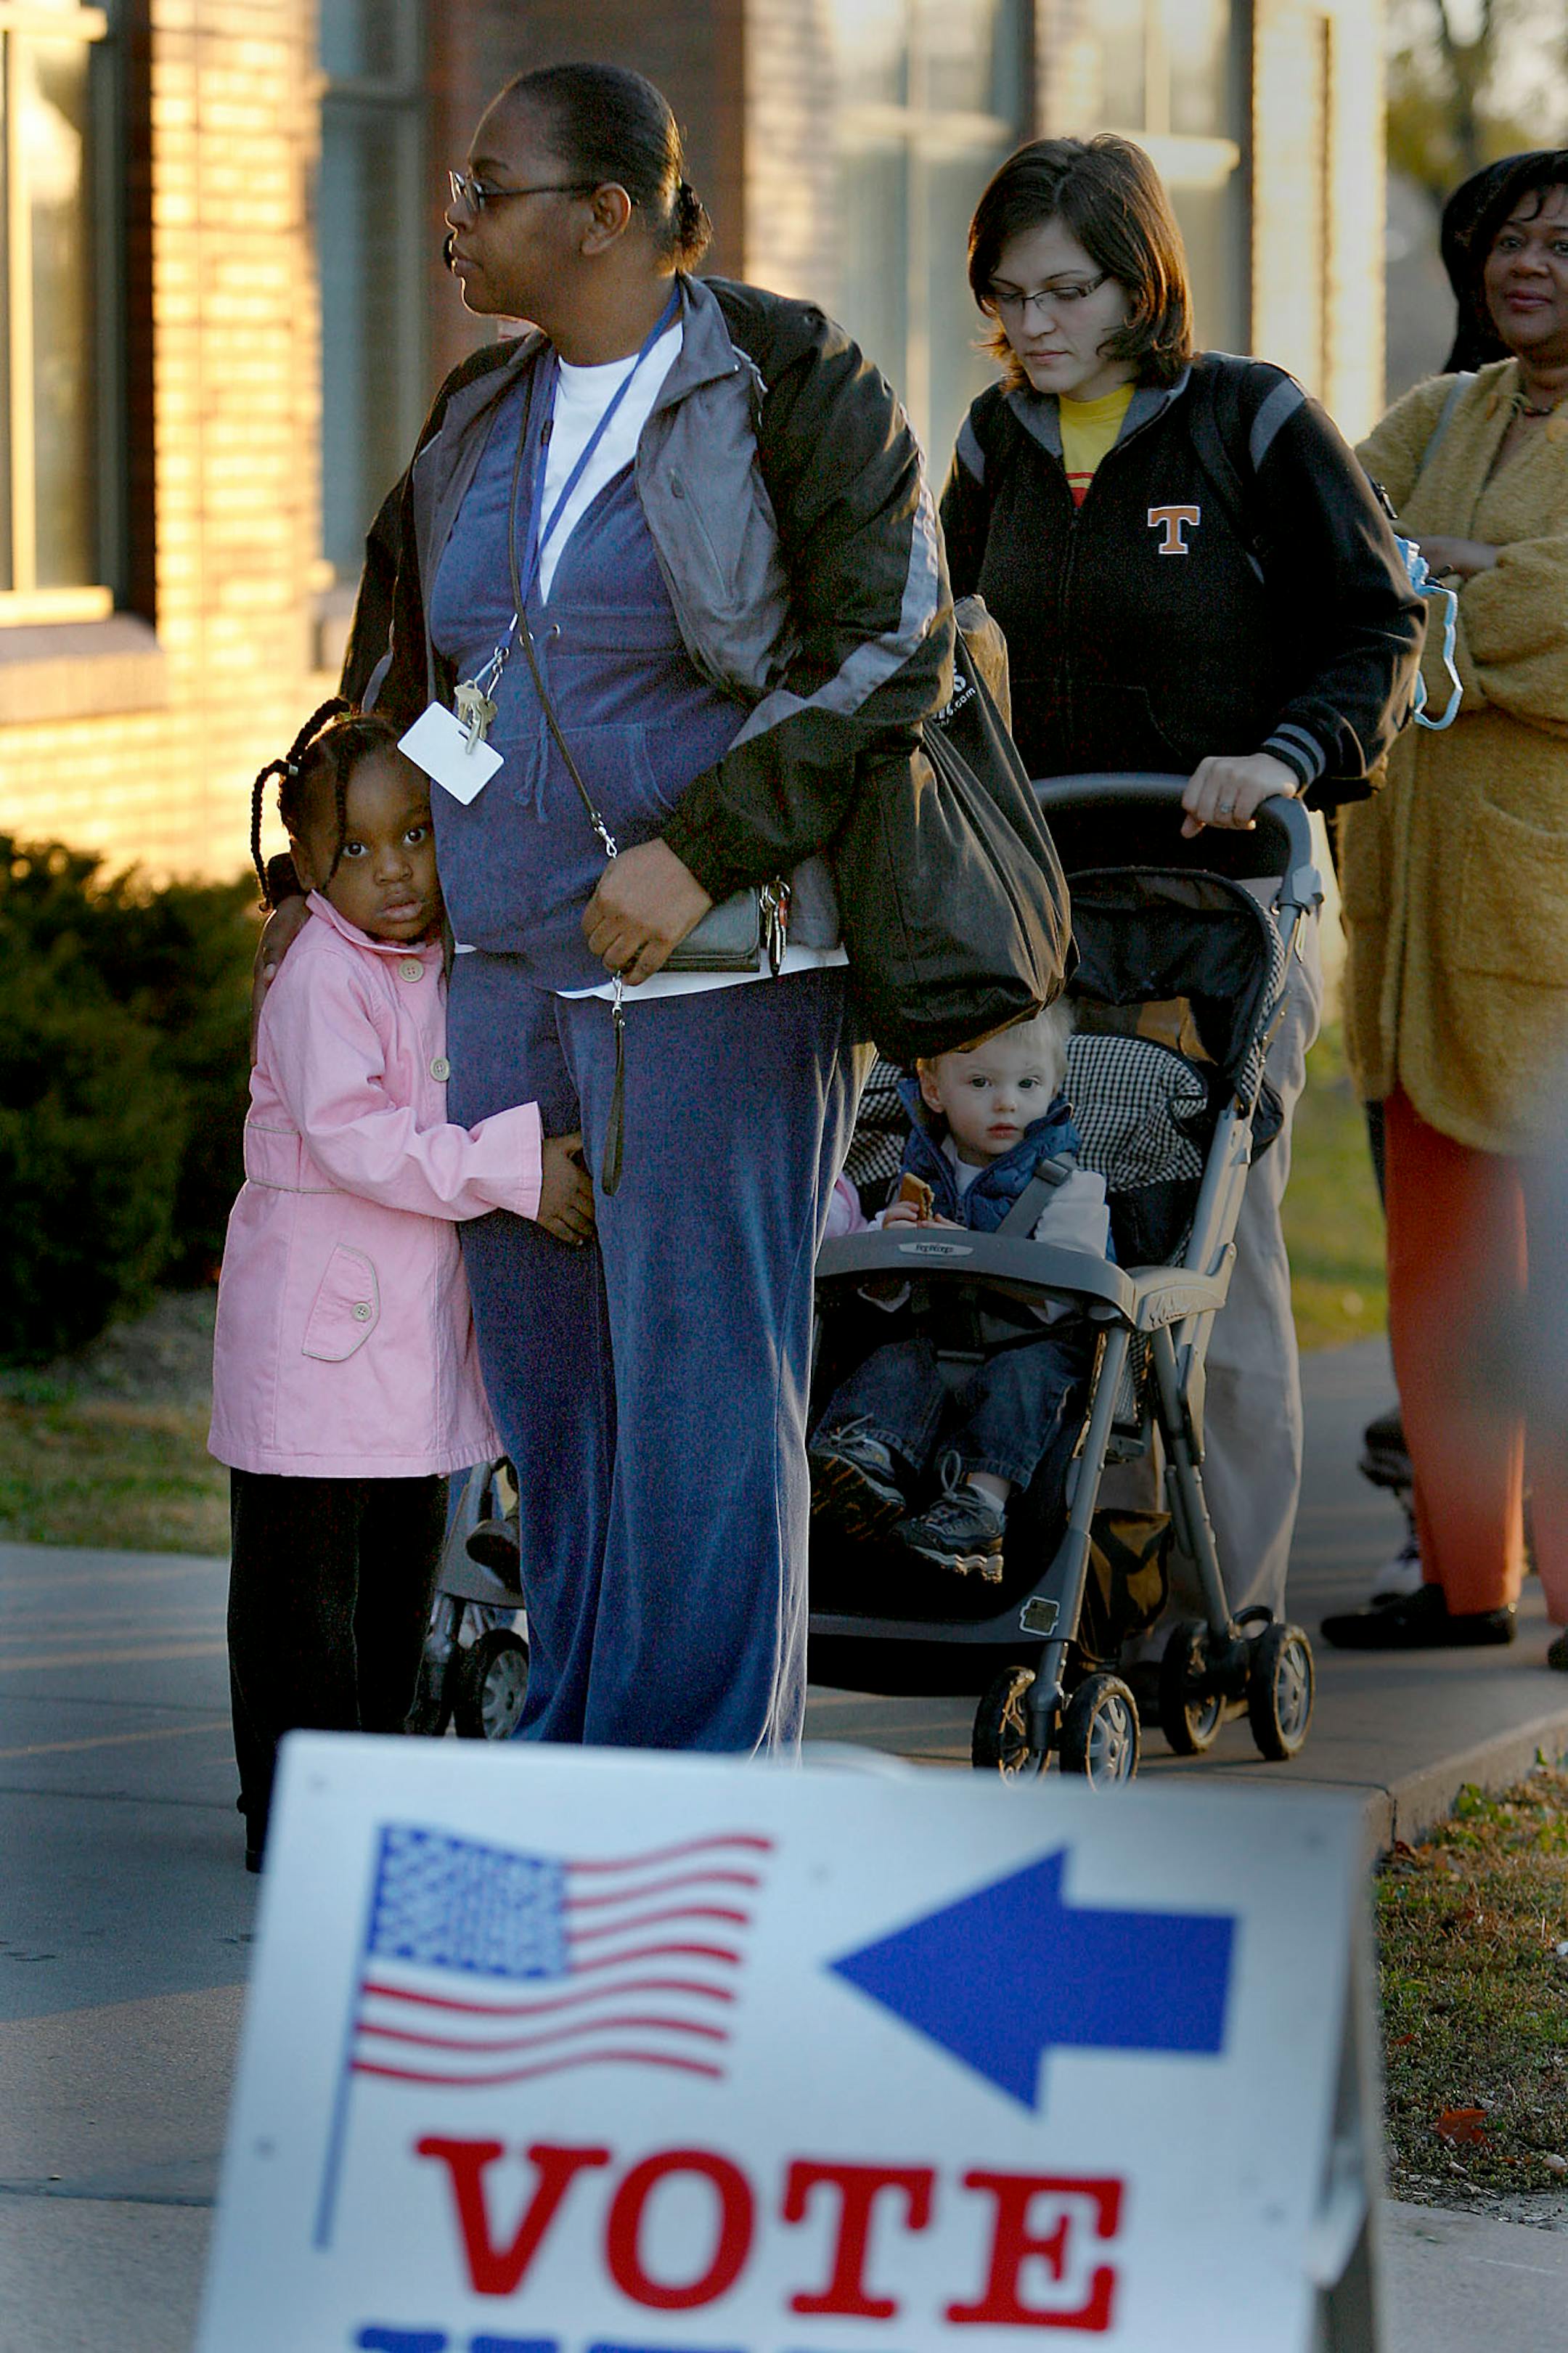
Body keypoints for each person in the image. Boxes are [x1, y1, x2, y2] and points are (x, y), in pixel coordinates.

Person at [260, 64, 952, 1750]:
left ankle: (702, 1784)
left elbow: (889, 648)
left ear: (606, 213)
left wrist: (701, 846)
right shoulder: (477, 416)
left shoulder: (789, 381)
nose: (453, 217)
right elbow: (433, 684)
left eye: (490, 189)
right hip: (504, 986)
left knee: (703, 1403)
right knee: (557, 1413)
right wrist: (347, 880)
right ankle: (573, 1761)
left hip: (713, 972)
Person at [938, 134, 1423, 1649]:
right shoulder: (991, 444)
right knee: (1045, 1239)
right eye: (1010, 296)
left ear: (1142, 279)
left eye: (1067, 290)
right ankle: (1063, 1586)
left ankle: (1222, 1609)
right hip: (1041, 916)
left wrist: (1282, 754)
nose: (1035, 326)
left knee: (1210, 1242)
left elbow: (1376, 623)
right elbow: (954, 660)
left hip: (1228, 909)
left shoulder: (1252, 420)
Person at [212, 704, 593, 1867]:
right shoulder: (321, 975)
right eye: (357, 851)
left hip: (407, 1368)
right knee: (300, 1606)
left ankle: (362, 1795)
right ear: (308, 867)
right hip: (317, 1358)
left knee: (390, 1597)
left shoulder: (442, 965)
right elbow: (360, 1139)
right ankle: (290, 1814)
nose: (394, 873)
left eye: (417, 837)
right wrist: (515, 1171)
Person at [1325, 150, 1568, 1653]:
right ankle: (1463, 1577)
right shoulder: (1451, 413)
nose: (1528, 261)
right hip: (1418, 924)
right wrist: (1449, 571)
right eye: (1510, 238)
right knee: (1441, 1270)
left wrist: (1453, 588)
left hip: (1549, 930)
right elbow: (1334, 538)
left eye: (1565, 241)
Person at [810, 1003, 1108, 1579]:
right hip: (937, 1339)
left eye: (1029, 1084)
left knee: (1020, 1383)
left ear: (1053, 1087)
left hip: (1031, 1344)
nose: (1006, 1102)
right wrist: (887, 1261)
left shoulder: (1069, 1184)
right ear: (933, 1087)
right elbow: (891, 1300)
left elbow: (1068, 1288)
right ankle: (862, 1461)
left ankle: (980, 1506)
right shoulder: (921, 1172)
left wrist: (972, 1250)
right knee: (894, 1359)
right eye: (981, 1083)